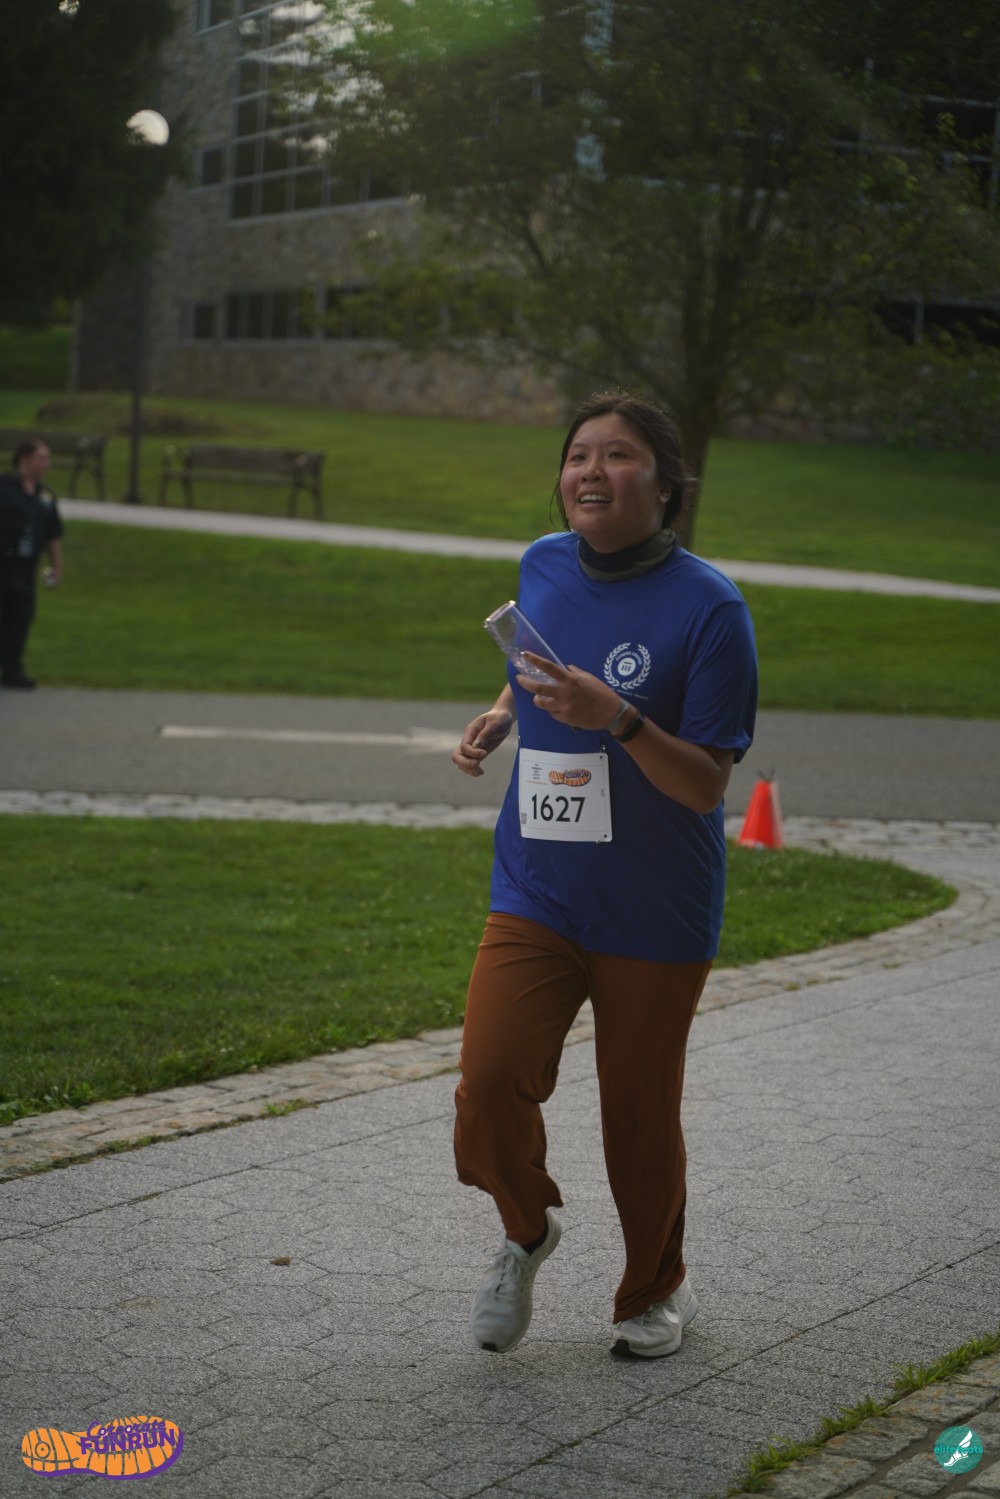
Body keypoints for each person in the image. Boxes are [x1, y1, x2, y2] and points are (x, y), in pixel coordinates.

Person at [451, 393, 758, 1358]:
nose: (590, 470)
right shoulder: (543, 563)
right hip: (539, 884)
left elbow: (704, 784)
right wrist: (505, 710)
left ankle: (654, 1289)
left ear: (665, 486)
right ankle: (526, 1229)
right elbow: (539, 660)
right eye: (578, 453)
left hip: (655, 902)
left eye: (618, 455)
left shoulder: (711, 608)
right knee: (488, 1079)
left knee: (637, 1109)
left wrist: (617, 718)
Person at [0, 439, 64, 689]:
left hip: (25, 567)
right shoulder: (4, 487)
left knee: (20, 618)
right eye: (42, 458)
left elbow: (53, 534)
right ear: (25, 460)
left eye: (48, 459)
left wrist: (56, 566)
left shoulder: (45, 497)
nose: (47, 464)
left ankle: (12, 670)